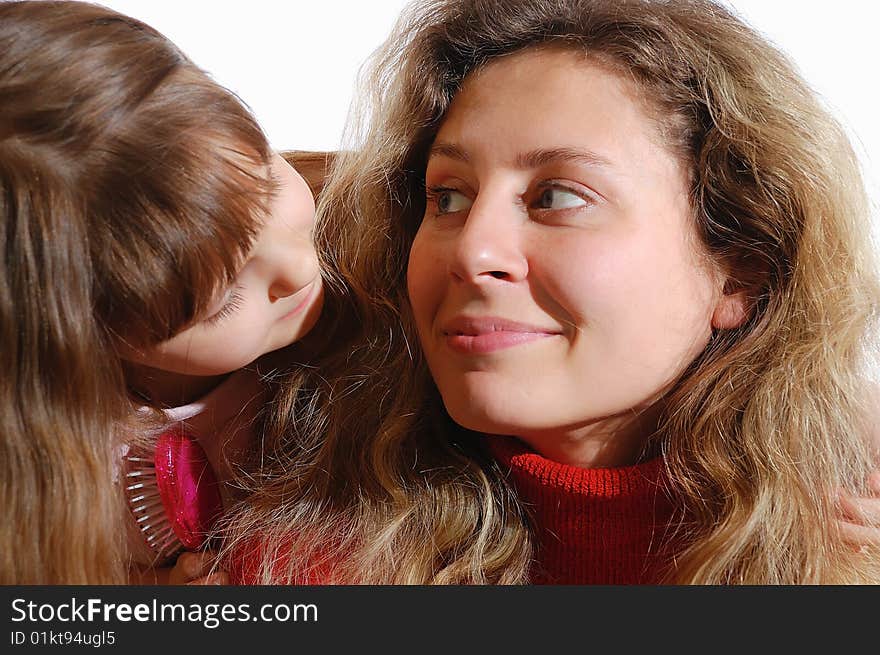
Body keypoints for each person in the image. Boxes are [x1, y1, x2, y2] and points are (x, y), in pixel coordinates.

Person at [226, 0, 880, 584]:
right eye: (447, 196)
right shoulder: (298, 568)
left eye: (558, 196)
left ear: (742, 270)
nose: (473, 250)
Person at [0, 0, 324, 584]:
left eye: (268, 184)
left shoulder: (376, 278)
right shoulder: (52, 473)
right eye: (224, 299)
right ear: (88, 340)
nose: (300, 265)